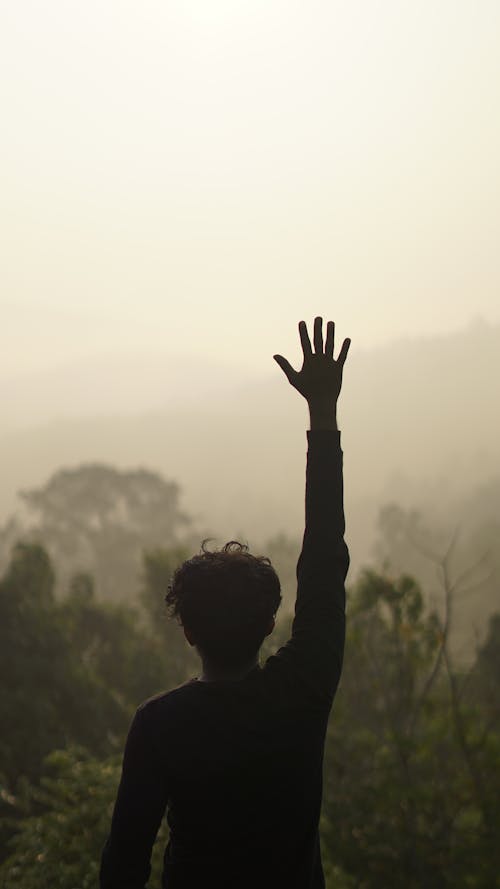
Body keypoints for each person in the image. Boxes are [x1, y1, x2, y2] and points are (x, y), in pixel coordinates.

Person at [100, 316, 351, 889]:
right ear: (269, 624)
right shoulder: (304, 686)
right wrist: (323, 415)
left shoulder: (160, 726)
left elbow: (123, 866)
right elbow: (322, 560)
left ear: (187, 631)